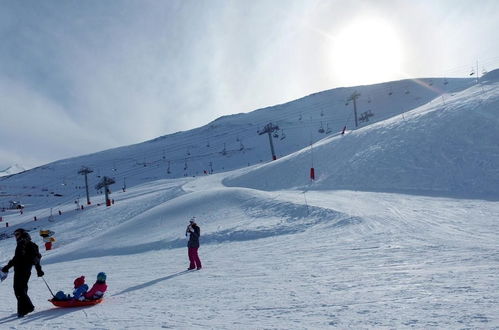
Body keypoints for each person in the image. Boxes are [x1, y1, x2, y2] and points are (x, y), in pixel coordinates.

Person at [1, 228, 44, 317]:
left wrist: (7, 267)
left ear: (23, 234)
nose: (16, 236)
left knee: (18, 289)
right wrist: (38, 270)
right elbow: (37, 258)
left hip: (21, 269)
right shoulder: (32, 244)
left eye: (17, 234)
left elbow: (17, 257)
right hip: (27, 270)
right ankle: (22, 309)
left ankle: (28, 307)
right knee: (23, 289)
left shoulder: (22, 243)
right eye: (15, 235)